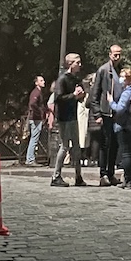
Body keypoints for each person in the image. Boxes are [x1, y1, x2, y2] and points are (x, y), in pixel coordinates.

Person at [89, 43, 125, 187]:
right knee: (105, 144)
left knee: (115, 144)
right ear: (110, 54)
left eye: (119, 54)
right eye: (115, 54)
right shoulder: (104, 70)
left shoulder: (119, 70)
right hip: (105, 112)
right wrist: (97, 113)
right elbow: (95, 94)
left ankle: (111, 173)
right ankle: (103, 174)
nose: (117, 57)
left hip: (116, 112)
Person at [50, 53, 88, 187]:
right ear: (70, 63)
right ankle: (56, 176)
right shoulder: (62, 79)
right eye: (77, 62)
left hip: (73, 116)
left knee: (76, 147)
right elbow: (59, 98)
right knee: (65, 146)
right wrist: (74, 95)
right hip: (64, 117)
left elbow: (78, 97)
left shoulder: (75, 79)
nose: (80, 65)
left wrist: (80, 96)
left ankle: (78, 176)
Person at [111, 67, 131, 190]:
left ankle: (128, 180)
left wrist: (110, 102)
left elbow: (119, 108)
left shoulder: (127, 92)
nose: (121, 79)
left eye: (124, 76)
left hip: (123, 125)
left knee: (126, 154)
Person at [25, 75, 46, 166]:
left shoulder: (37, 92)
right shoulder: (36, 92)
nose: (43, 82)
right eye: (41, 80)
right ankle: (30, 159)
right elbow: (32, 104)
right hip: (35, 118)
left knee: (34, 138)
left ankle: (30, 158)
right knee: (34, 138)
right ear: (36, 83)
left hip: (35, 117)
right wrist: (39, 112)